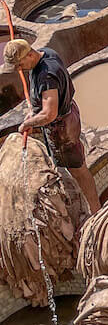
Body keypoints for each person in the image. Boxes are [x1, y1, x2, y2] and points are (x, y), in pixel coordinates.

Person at [3, 39, 100, 213]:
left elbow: (49, 114)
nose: (19, 70)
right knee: (72, 167)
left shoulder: (46, 76)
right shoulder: (46, 53)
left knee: (78, 170)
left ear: (30, 54)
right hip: (66, 119)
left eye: (19, 65)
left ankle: (95, 211)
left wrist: (28, 123)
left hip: (62, 130)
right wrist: (34, 112)